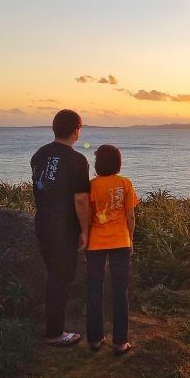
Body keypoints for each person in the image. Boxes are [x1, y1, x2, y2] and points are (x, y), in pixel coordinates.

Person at [30, 109, 91, 347]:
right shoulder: (77, 160)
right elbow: (81, 200)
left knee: (55, 276)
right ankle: (54, 332)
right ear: (76, 129)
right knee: (61, 278)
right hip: (64, 228)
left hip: (43, 223)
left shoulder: (39, 155)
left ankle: (53, 325)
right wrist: (84, 231)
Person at [81, 144, 139, 355]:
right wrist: (130, 239)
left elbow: (87, 216)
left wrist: (85, 238)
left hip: (96, 242)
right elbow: (131, 216)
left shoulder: (91, 185)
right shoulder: (125, 183)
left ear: (98, 163)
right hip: (120, 242)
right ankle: (120, 342)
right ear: (118, 162)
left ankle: (95, 340)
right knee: (120, 290)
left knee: (94, 290)